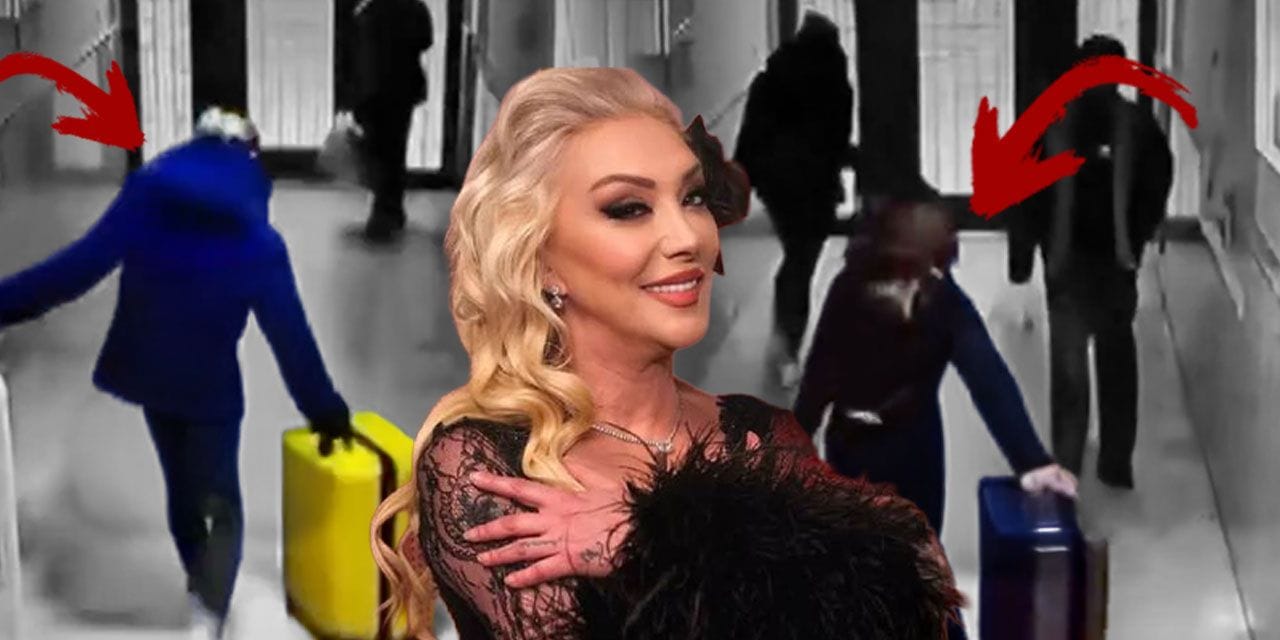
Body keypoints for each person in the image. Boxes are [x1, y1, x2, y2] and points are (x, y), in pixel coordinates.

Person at [369, 67, 963, 639]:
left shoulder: (759, 433)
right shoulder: (483, 468)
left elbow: (916, 571)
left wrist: (649, 538)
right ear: (540, 257)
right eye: (628, 208)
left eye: (693, 197)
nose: (688, 239)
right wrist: (767, 550)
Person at [0, 107, 355, 639]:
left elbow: (74, 269)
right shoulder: (257, 238)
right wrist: (326, 411)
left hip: (151, 376)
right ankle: (208, 614)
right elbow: (291, 339)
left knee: (182, 492)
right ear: (249, 157)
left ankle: (200, 591)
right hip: (210, 389)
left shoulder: (146, 196)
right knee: (220, 504)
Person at [792, 197, 1079, 638]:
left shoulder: (943, 299)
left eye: (927, 276)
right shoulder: (849, 291)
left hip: (916, 446)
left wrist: (1032, 461)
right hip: (852, 450)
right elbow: (818, 377)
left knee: (922, 571)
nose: (914, 290)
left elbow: (987, 374)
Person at [1007, 35, 1174, 488]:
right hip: (1082, 260)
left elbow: (1154, 186)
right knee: (1086, 362)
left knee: (1093, 361)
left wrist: (1136, 238)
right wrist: (1028, 252)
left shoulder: (1112, 128)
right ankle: (1090, 462)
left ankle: (1085, 462)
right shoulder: (1114, 127)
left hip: (1095, 259)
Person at [733, 11, 854, 386]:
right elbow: (834, 140)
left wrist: (745, 179)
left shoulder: (769, 80)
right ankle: (787, 339)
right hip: (815, 186)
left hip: (778, 186)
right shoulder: (834, 84)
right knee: (802, 261)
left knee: (795, 257)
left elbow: (751, 135)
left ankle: (784, 339)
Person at [349, 0, 434, 242]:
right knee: (396, 149)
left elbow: (357, 54)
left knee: (377, 150)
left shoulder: (368, 11)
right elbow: (426, 41)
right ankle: (392, 207)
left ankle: (383, 209)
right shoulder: (415, 8)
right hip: (403, 87)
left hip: (373, 90)